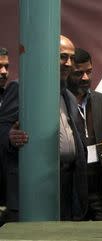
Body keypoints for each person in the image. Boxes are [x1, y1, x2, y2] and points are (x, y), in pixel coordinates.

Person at [8, 35, 89, 221]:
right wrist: (9, 137)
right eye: (62, 56)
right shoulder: (21, 88)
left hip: (67, 186)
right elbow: (3, 129)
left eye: (71, 58)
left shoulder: (68, 96)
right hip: (32, 187)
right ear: (46, 55)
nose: (68, 63)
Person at [67, 47, 102, 220]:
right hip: (70, 188)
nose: (86, 78)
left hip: (100, 187)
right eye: (78, 73)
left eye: (89, 72)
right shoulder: (58, 102)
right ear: (67, 73)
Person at [0, 47, 19, 224]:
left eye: (6, 66)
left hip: (8, 189)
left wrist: (9, 137)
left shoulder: (9, 95)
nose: (4, 72)